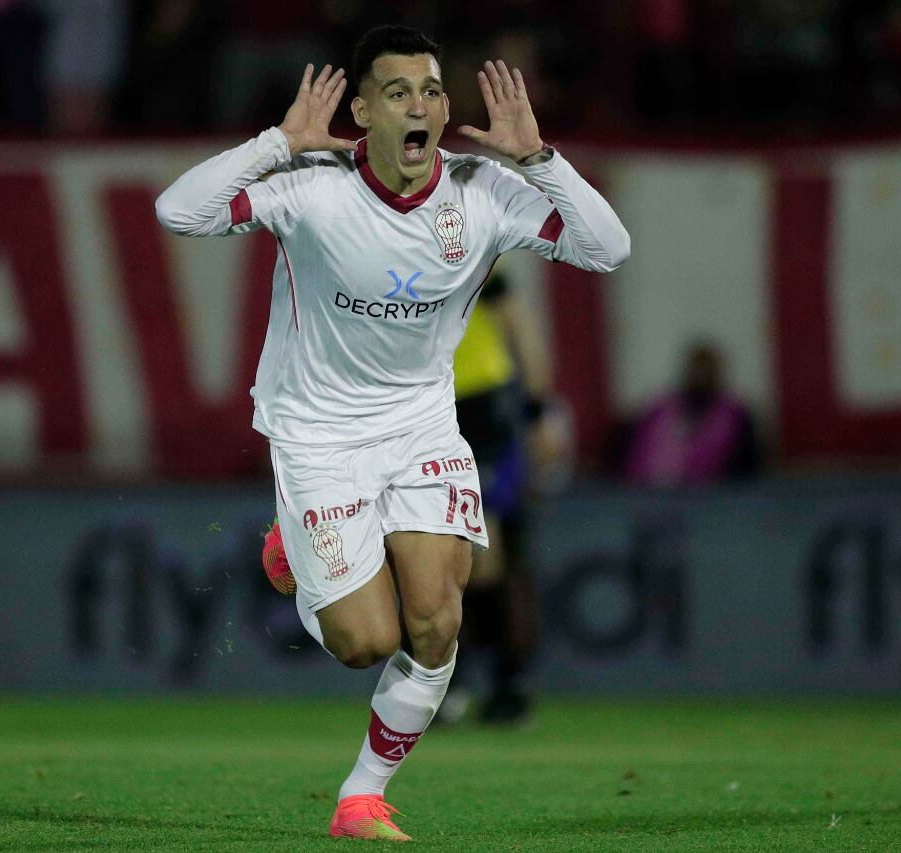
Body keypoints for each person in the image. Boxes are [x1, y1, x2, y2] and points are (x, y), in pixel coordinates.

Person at [159, 24, 629, 840]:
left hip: (421, 427)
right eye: (401, 92)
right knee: (363, 640)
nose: (423, 105)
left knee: (438, 620)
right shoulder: (313, 185)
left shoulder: (483, 191)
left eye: (434, 90)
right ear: (365, 112)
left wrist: (541, 160)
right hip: (318, 434)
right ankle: (293, 546)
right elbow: (179, 210)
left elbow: (608, 248)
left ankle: (361, 795)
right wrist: (277, 141)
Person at [441, 268, 561, 726]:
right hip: (420, 405)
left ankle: (502, 677)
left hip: (480, 406)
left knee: (485, 551)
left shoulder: (465, 238)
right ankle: (460, 676)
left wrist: (538, 413)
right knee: (434, 548)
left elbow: (520, 325)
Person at [619, 342, 761, 487]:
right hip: (647, 488)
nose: (701, 375)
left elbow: (748, 465)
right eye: (697, 369)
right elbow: (634, 448)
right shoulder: (660, 408)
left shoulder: (734, 414)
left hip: (711, 494)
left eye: (707, 371)